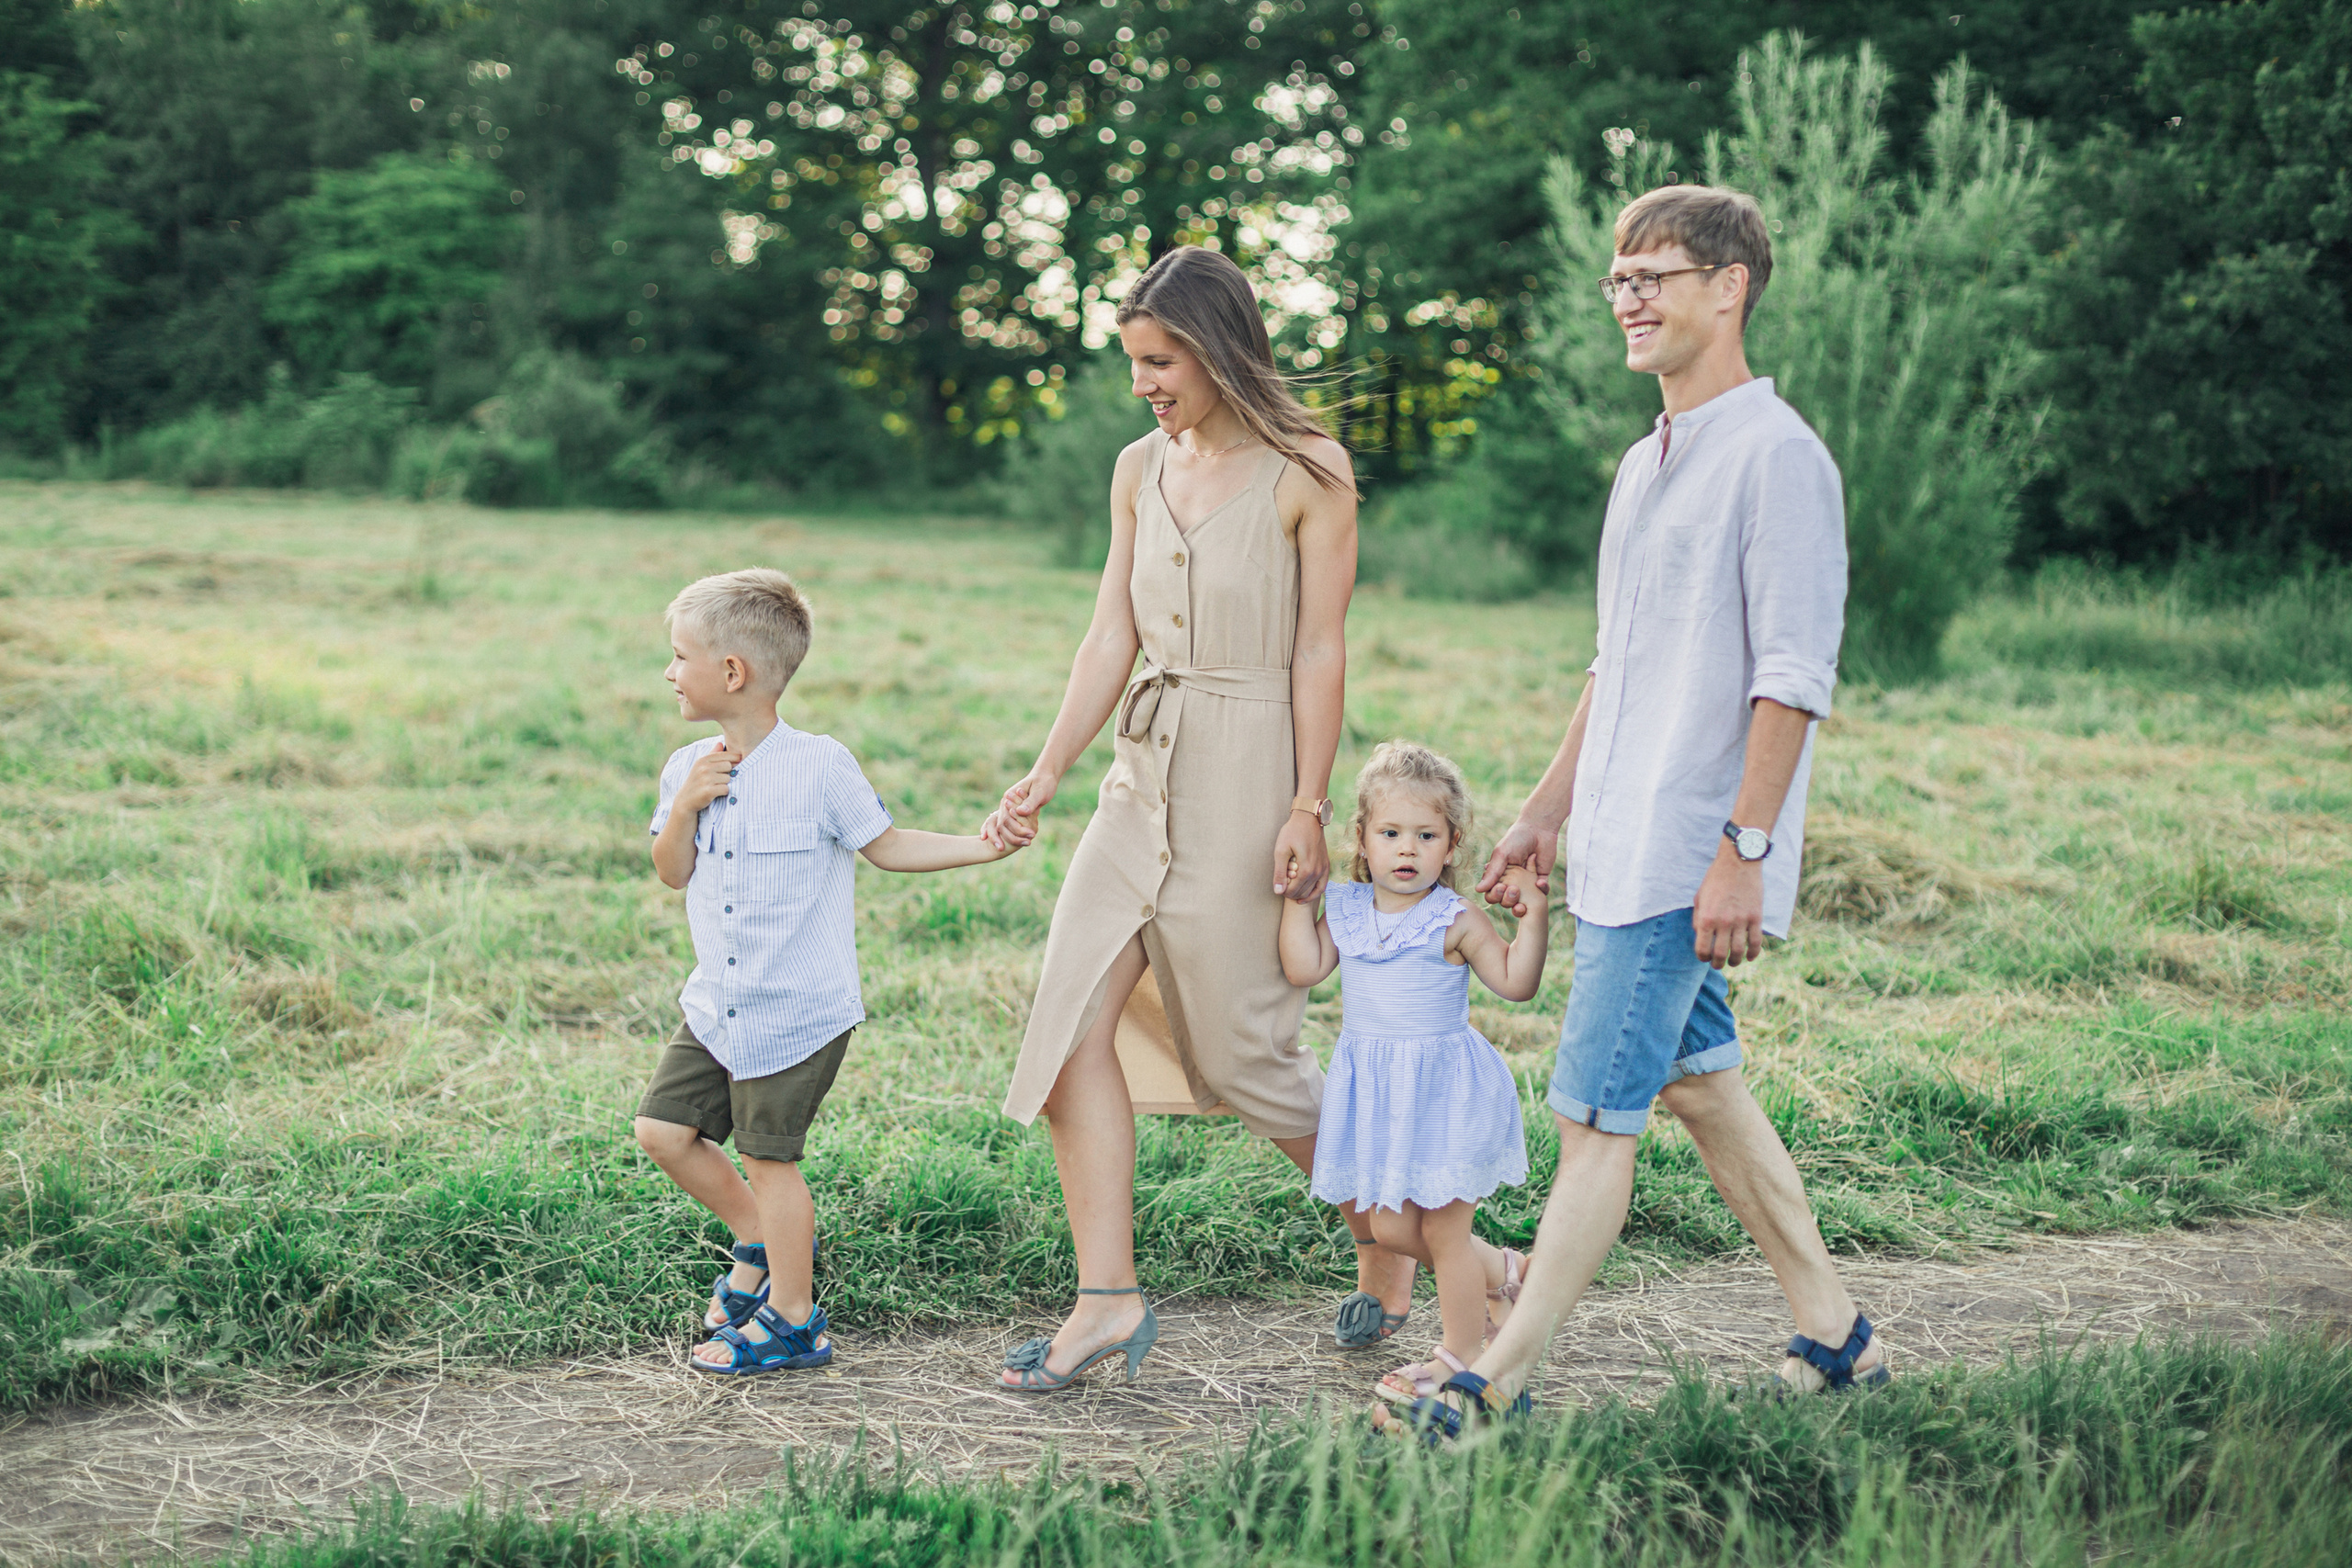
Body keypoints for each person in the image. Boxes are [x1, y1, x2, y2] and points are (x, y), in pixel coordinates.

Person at [1379, 185, 1885, 1440]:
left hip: (1683, 856)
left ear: (1732, 286)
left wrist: (1742, 852)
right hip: (1612, 841)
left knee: (1592, 1113)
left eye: (1658, 274)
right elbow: (1618, 664)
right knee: (1702, 1087)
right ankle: (1836, 1332)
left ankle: (1496, 1379)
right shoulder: (1643, 461)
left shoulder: (1780, 459)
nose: (1632, 298)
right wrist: (1546, 810)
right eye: (1620, 280)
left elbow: (1793, 679)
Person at [982, 245, 1513, 1393]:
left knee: (1244, 1057)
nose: (1144, 385)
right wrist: (1046, 769)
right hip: (1139, 771)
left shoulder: (1307, 472)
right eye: (1134, 361)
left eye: (1160, 360)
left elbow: (1320, 648)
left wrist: (1307, 806)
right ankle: (1106, 1300)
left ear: (1219, 350)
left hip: (1250, 766)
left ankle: (1426, 1242)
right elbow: (1107, 635)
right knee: (1068, 1023)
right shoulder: (1137, 467)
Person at [633, 568, 1017, 1377]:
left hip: (797, 1010)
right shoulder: (686, 766)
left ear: (731, 672)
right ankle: (761, 1241)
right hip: (718, 1004)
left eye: (679, 656)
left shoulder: (819, 766)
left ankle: (793, 1318)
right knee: (664, 1132)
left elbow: (886, 845)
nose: (669, 672)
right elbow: (671, 871)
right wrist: (685, 809)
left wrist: (981, 845)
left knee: (773, 1158)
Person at [1281, 742, 1547, 1405]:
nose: (1408, 849)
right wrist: (1294, 903)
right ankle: (1510, 1270)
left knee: (1444, 1234)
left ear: (1451, 845)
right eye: (1391, 833)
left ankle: (1460, 1357)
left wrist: (1534, 919)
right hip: (1379, 1097)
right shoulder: (1347, 910)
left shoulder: (1452, 919)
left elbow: (1516, 983)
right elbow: (1303, 967)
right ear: (1363, 841)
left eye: (1426, 835)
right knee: (1395, 1230)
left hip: (1444, 1093)